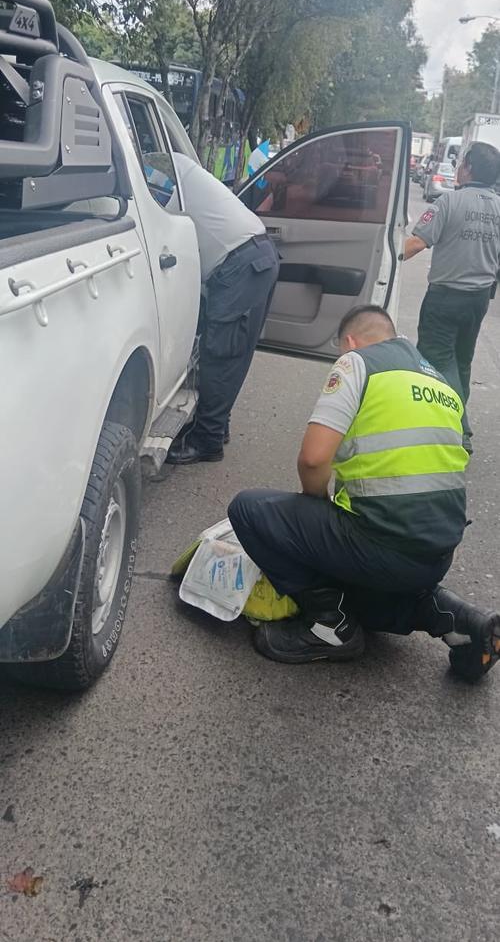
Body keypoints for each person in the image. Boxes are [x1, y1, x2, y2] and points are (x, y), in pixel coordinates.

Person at [228, 305, 500, 682]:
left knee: (249, 510)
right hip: (436, 554)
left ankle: (331, 628)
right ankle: (460, 621)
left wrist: (314, 510)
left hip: (383, 547)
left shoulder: (357, 363)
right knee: (364, 592)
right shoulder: (441, 382)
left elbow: (313, 460)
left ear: (350, 342)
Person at [167, 153, 280, 464]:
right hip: (256, 256)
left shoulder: (169, 184)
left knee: (220, 354)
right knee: (233, 353)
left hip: (240, 265)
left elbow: (155, 229)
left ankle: (208, 441)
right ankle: (217, 425)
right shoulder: (184, 170)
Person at [405, 141, 500, 453]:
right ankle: (450, 424)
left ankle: (458, 429)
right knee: (461, 359)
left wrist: (385, 256)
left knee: (436, 359)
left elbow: (416, 243)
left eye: (461, 163)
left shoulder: (449, 202)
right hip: (478, 299)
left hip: (446, 296)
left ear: (468, 168)